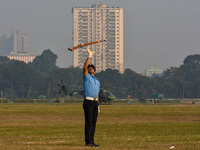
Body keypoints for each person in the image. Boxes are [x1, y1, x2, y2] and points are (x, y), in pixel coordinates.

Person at [83, 47, 100, 147]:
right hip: (88, 102)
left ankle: (92, 140)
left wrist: (98, 105)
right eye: (89, 68)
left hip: (94, 103)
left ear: (94, 70)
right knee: (88, 122)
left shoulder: (97, 81)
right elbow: (84, 68)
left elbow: (97, 93)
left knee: (93, 122)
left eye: (92, 68)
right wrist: (89, 56)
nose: (90, 69)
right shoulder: (86, 77)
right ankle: (88, 141)